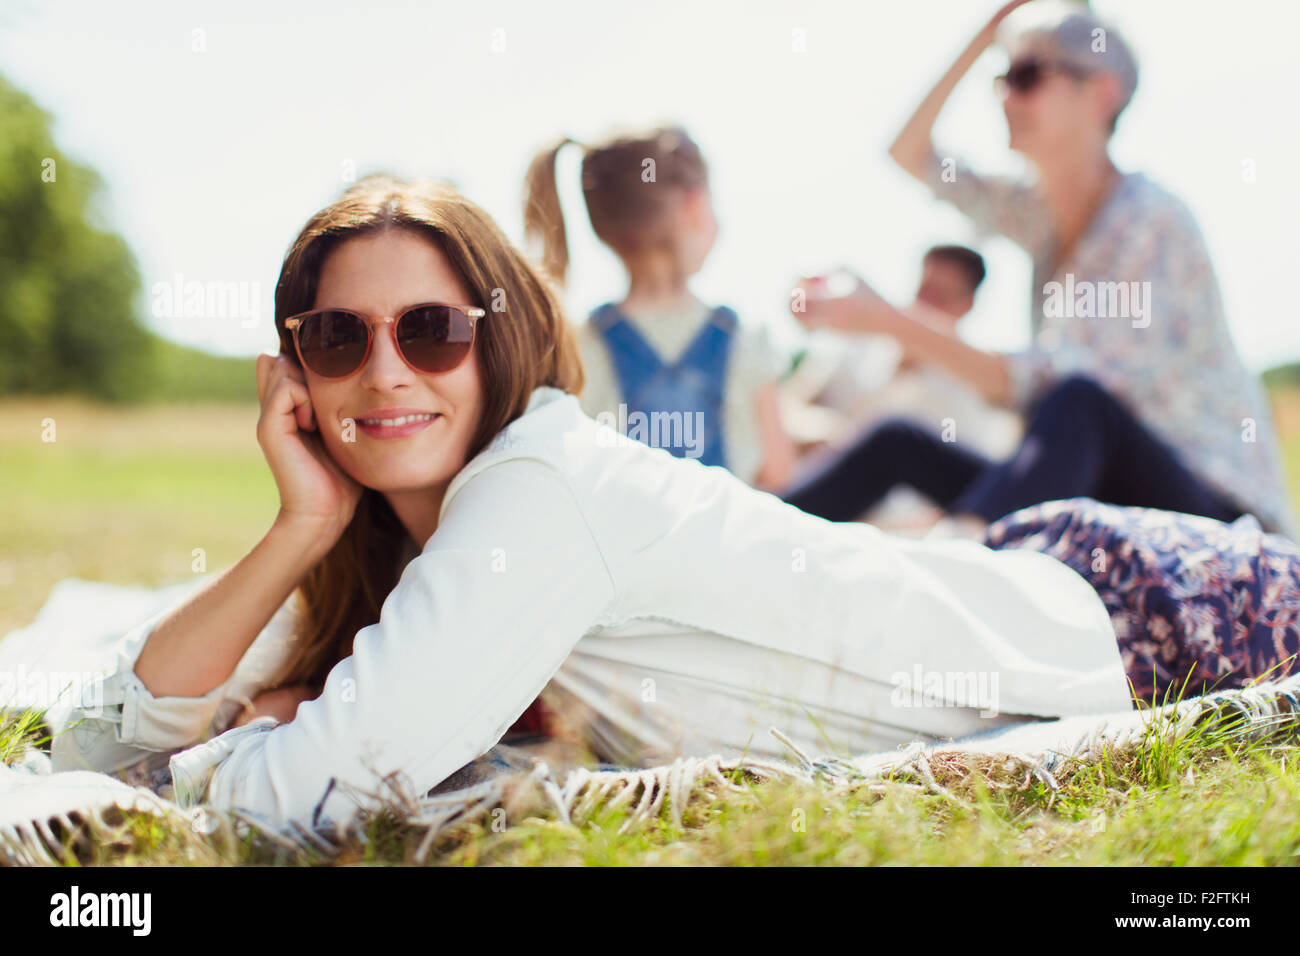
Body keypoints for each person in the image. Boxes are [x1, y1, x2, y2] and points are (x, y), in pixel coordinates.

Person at [38, 175, 1300, 837]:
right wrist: (298, 530)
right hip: (1044, 572)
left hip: (1142, 618)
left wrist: (221, 748)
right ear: (293, 372)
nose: (384, 370)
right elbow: (97, 736)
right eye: (334, 335)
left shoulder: (538, 488)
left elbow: (313, 792)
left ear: (500, 338)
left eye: (429, 329)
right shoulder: (380, 536)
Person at [782, 0, 1298, 542]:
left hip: (1212, 518)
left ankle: (965, 562)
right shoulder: (1038, 216)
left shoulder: (1150, 221)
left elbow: (1047, 384)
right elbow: (909, 153)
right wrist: (987, 32)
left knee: (1077, 402)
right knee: (896, 443)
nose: (1006, 96)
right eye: (1002, 77)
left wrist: (887, 320)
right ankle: (753, 541)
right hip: (1108, 496)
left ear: (1101, 94)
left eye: (1029, 76)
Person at [523, 125, 799, 492]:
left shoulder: (576, 347)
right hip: (729, 545)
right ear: (695, 206)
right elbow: (778, 470)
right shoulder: (746, 337)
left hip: (626, 546)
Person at [781, 246, 1022, 529]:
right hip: (814, 503)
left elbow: (963, 498)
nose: (927, 305)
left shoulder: (975, 393)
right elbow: (787, 407)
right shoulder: (858, 345)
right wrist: (829, 433)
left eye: (942, 296)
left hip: (895, 539)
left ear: (967, 305)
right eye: (924, 291)